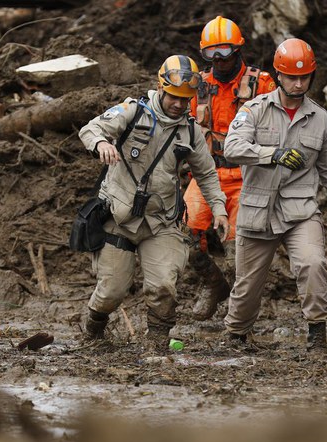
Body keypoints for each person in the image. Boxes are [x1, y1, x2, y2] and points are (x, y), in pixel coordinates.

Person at [222, 38, 327, 353]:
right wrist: (271, 154)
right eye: (291, 76)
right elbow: (232, 148)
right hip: (257, 209)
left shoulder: (321, 119)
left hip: (300, 211)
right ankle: (236, 336)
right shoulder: (254, 110)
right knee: (247, 286)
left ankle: (317, 336)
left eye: (304, 77)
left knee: (313, 263)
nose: (298, 83)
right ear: (278, 75)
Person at [78, 55, 229, 353]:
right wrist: (102, 143)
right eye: (174, 96)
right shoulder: (133, 111)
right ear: (161, 88)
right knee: (111, 291)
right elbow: (90, 129)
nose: (179, 104)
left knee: (163, 286)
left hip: (161, 220)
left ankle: (157, 344)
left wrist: (220, 209)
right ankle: (93, 331)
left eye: (185, 99)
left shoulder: (190, 131)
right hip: (118, 219)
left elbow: (207, 174)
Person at [184, 16, 276, 321]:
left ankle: (241, 314)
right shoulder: (198, 86)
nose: (219, 60)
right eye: (211, 54)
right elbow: (183, 129)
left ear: (238, 50)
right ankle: (213, 285)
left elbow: (278, 130)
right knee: (184, 234)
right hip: (207, 174)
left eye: (224, 51)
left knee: (242, 250)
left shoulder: (262, 84)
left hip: (248, 175)